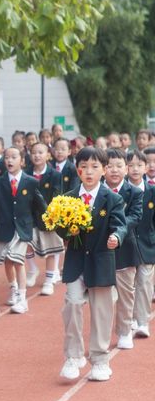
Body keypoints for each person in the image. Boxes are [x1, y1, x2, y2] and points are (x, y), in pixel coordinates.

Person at [59, 147, 126, 382]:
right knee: (73, 304)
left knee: (101, 311)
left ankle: (99, 359)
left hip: (101, 261)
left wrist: (116, 237)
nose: (89, 171)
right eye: (84, 167)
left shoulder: (113, 199)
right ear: (77, 170)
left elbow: (120, 224)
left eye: (95, 167)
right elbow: (59, 226)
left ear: (104, 170)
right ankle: (73, 356)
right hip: (76, 262)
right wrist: (64, 229)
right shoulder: (67, 198)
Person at [0, 146, 46, 314]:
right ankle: (13, 287)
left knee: (18, 260)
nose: (9, 160)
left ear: (22, 161)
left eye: (13, 157)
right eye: (7, 157)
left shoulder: (31, 182)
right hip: (5, 228)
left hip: (23, 230)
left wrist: (51, 217)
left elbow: (39, 204)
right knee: (7, 260)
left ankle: (22, 297)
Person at [104, 149, 142, 350]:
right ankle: (101, 332)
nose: (114, 170)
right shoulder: (96, 191)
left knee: (126, 293)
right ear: (104, 169)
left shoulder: (134, 192)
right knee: (102, 296)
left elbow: (135, 217)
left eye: (119, 166)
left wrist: (117, 232)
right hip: (100, 251)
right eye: (110, 166)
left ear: (126, 169)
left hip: (125, 249)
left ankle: (124, 331)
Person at [24, 142, 64, 295]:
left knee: (51, 249)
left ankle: (49, 280)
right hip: (29, 216)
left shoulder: (55, 175)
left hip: (49, 217)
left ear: (48, 155)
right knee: (26, 243)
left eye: (41, 152)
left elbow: (56, 195)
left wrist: (50, 213)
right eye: (34, 152)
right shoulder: (26, 173)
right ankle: (33, 269)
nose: (37, 155)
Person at [127, 151, 155, 338]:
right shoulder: (121, 192)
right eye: (131, 165)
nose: (135, 169)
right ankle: (129, 318)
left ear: (145, 168)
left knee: (144, 282)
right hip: (126, 245)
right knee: (129, 285)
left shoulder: (152, 192)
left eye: (139, 165)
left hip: (148, 244)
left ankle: (142, 321)